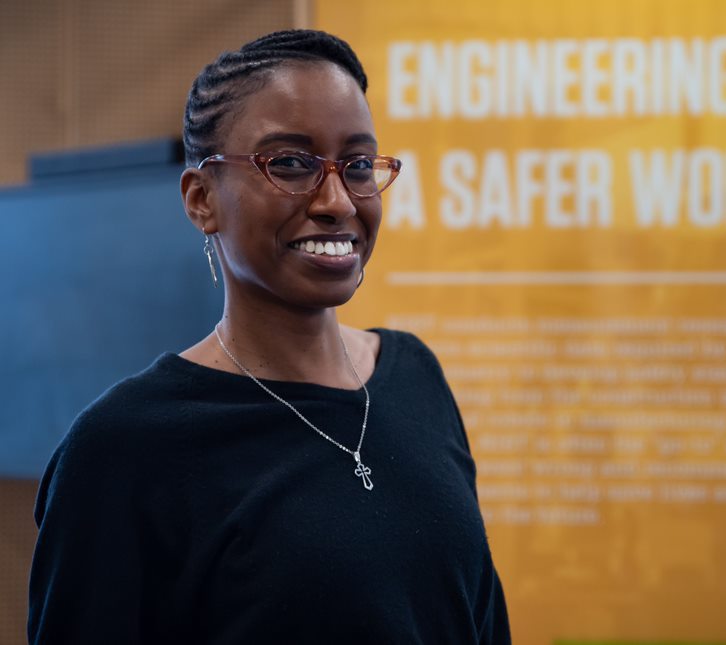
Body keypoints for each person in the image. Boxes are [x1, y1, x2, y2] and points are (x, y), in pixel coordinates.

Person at [28, 29, 511, 644]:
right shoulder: (124, 450)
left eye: (358, 165)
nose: (337, 200)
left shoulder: (416, 375)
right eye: (290, 163)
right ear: (202, 198)